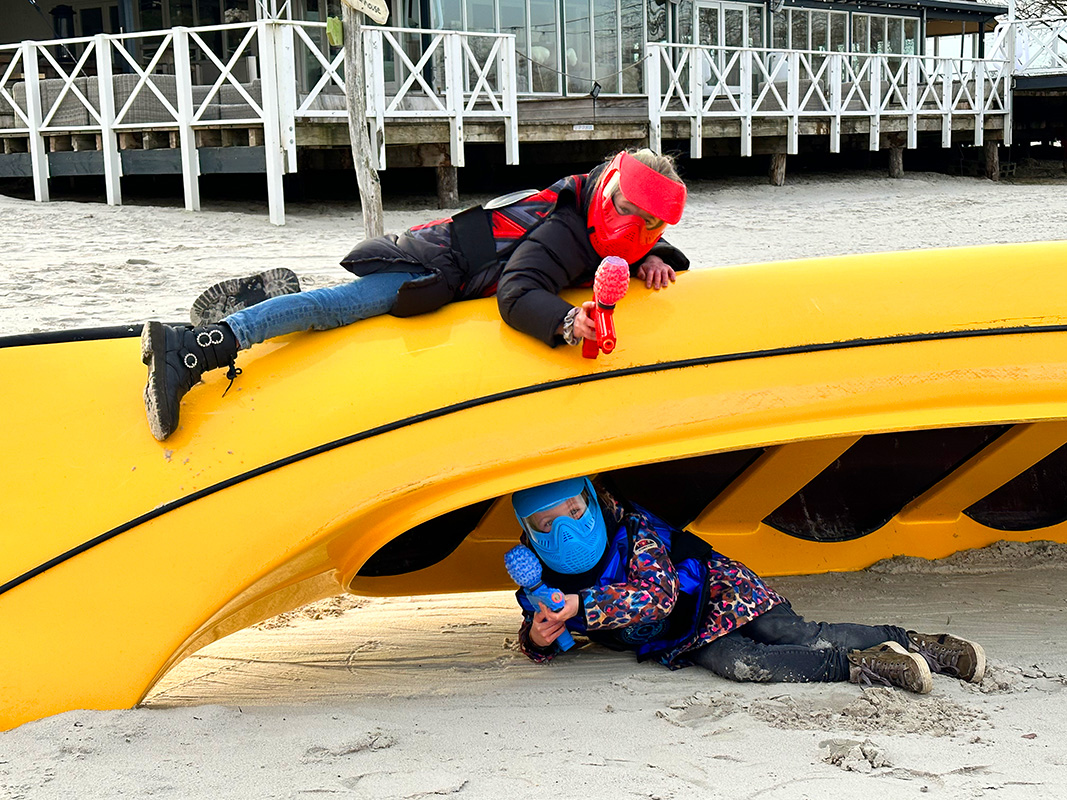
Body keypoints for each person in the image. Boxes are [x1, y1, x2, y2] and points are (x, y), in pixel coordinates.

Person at [141, 149, 689, 441]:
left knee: (326, 304)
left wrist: (653, 259)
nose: (630, 226)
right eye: (624, 208)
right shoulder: (564, 228)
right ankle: (194, 347)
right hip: (429, 265)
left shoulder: (601, 208)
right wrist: (569, 323)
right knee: (328, 308)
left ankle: (252, 302)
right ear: (608, 189)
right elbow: (519, 291)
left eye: (648, 225)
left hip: (445, 264)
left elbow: (626, 240)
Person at [510, 476, 987, 694]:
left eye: (575, 512)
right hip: (683, 637)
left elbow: (657, 597)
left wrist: (581, 605)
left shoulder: (636, 532)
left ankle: (922, 644)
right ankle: (866, 666)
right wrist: (539, 636)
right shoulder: (539, 578)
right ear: (529, 532)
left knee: (792, 633)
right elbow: (542, 635)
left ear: (593, 502)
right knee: (739, 664)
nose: (568, 531)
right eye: (548, 523)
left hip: (720, 590)